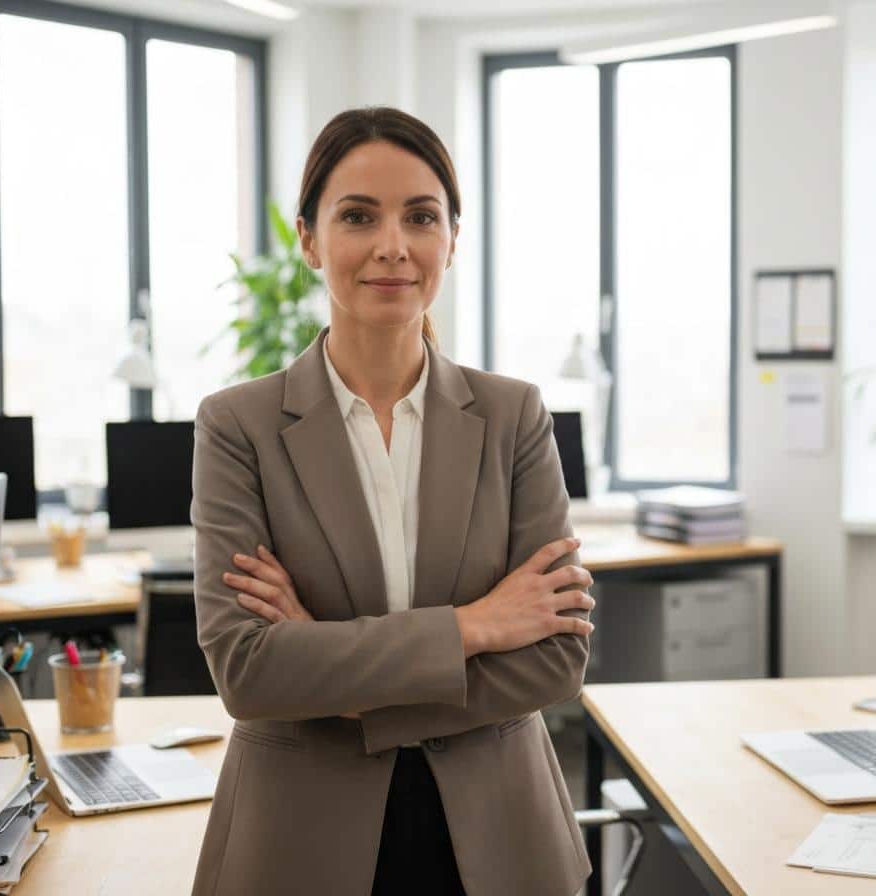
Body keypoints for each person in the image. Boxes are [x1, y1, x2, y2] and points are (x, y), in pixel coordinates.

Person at [189, 106, 596, 896]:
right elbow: (248, 671)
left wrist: (329, 670)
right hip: (298, 844)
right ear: (308, 239)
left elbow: (557, 656)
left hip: (503, 841)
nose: (392, 246)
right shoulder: (237, 425)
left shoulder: (514, 416)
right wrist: (474, 628)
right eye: (357, 216)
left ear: (451, 237)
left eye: (420, 216)